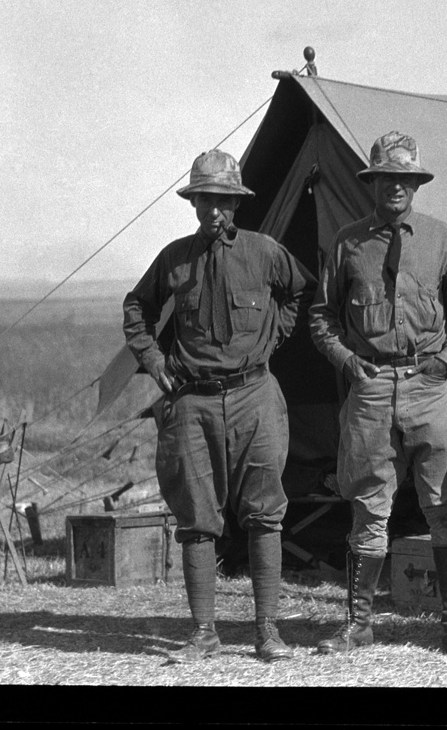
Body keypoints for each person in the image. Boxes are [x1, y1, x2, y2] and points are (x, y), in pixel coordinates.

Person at [123, 149, 316, 664]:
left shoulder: (264, 251)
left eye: (224, 200)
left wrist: (273, 340)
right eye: (205, 199)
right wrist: (155, 363)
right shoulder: (174, 258)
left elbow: (300, 292)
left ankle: (267, 632)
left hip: (256, 397)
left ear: (237, 203)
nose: (215, 210)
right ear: (193, 202)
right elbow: (136, 310)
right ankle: (204, 633)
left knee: (265, 513)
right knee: (196, 517)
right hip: (192, 400)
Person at [309, 131, 447, 657]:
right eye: (386, 178)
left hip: (429, 387)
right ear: (373, 183)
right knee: (368, 508)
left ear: (416, 184)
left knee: (443, 506)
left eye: (405, 179)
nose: (396, 187)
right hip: (371, 388)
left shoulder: (440, 238)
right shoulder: (347, 243)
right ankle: (358, 623)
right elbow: (321, 319)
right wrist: (350, 365)